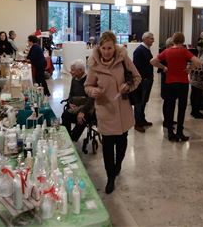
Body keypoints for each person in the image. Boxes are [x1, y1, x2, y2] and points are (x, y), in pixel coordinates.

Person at [85, 31, 141, 194]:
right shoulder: (94, 64)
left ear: (114, 47)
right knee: (108, 147)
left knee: (122, 145)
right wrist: (92, 91)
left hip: (122, 110)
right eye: (104, 48)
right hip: (105, 110)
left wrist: (128, 86)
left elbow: (137, 77)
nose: (107, 51)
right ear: (99, 48)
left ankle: (117, 166)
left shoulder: (123, 60)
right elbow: (87, 86)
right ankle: (110, 178)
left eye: (110, 48)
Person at [150, 32, 201, 142]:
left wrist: (164, 67)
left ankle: (170, 133)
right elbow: (198, 61)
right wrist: (190, 69)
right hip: (182, 83)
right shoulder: (184, 51)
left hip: (170, 83)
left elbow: (153, 61)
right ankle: (180, 132)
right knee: (182, 108)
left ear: (173, 40)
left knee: (170, 107)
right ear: (183, 40)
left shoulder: (167, 51)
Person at [61, 60, 95, 142]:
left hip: (86, 109)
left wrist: (82, 111)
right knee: (65, 115)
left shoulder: (89, 80)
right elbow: (71, 94)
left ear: (80, 70)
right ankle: (67, 138)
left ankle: (73, 139)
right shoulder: (74, 79)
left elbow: (91, 99)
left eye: (73, 70)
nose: (70, 71)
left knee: (82, 118)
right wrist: (70, 103)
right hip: (76, 107)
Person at [132, 32, 155, 133]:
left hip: (147, 79)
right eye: (151, 38)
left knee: (144, 101)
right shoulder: (139, 50)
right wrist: (142, 79)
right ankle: (137, 123)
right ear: (145, 39)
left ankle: (142, 119)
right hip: (142, 81)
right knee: (139, 102)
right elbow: (136, 67)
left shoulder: (146, 49)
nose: (153, 40)